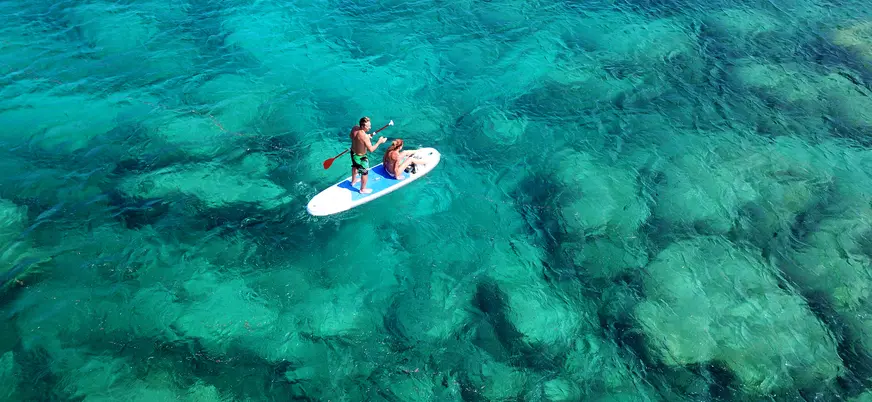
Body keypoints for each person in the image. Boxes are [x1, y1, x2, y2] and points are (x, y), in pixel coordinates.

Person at [349, 116, 387, 193]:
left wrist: (362, 140)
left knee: (355, 167)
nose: (370, 127)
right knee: (364, 173)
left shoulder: (355, 128)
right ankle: (362, 189)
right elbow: (371, 149)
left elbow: (351, 136)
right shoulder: (365, 137)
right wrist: (379, 142)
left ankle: (353, 181)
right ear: (362, 126)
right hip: (360, 157)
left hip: (353, 153)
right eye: (368, 126)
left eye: (370, 125)